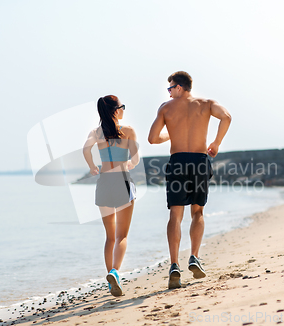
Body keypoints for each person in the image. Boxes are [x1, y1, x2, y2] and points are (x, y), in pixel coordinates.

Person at [148, 71, 232, 289]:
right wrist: (216, 143)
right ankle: (194, 257)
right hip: (199, 161)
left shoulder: (166, 108)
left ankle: (174, 264)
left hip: (177, 162)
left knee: (175, 215)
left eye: (169, 88)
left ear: (179, 87)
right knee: (198, 211)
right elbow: (227, 117)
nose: (168, 93)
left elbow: (152, 138)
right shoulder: (206, 104)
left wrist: (171, 134)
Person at [83, 95, 139, 296]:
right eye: (122, 107)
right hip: (122, 181)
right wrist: (131, 163)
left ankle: (110, 279)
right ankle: (115, 272)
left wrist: (92, 167)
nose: (123, 110)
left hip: (104, 182)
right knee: (122, 235)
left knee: (109, 237)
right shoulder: (128, 131)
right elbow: (136, 157)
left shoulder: (96, 132)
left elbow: (86, 149)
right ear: (116, 111)